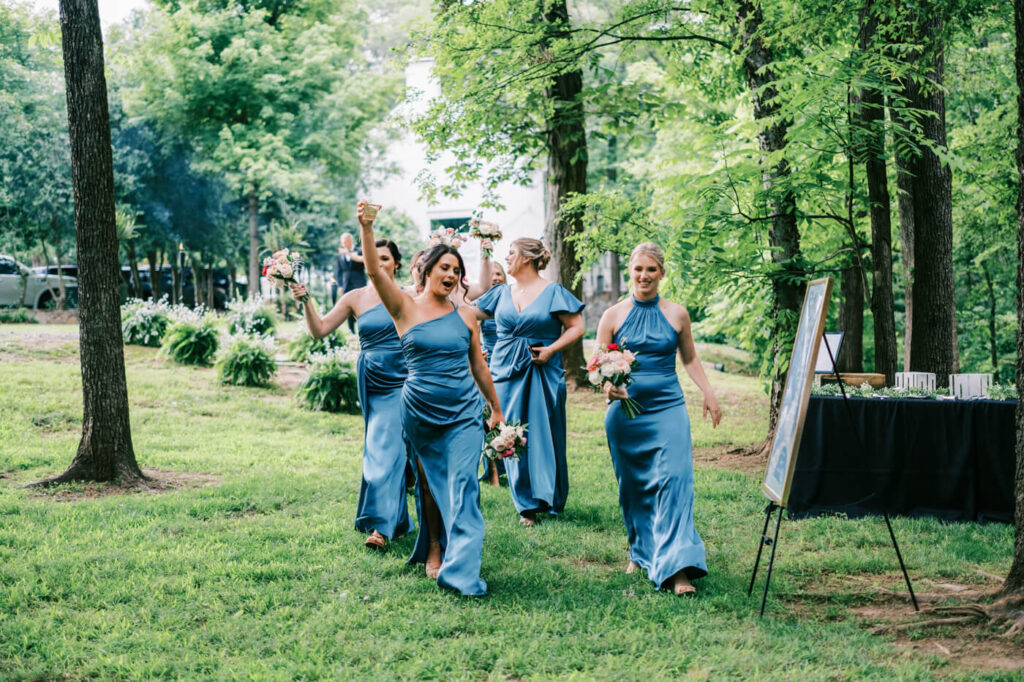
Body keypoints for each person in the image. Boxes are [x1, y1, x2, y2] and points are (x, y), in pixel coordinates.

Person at [357, 201, 503, 597]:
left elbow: (479, 367)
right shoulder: (403, 307)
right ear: (426, 270)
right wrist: (367, 229)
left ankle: (462, 570)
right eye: (445, 268)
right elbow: (374, 270)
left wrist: (496, 408)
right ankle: (435, 547)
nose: (452, 275)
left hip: (463, 412)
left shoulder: (467, 315)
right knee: (427, 484)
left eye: (457, 271)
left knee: (463, 486)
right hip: (419, 411)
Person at [596, 242, 722, 596]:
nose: (644, 276)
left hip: (668, 408)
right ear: (629, 272)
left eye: (651, 269)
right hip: (626, 415)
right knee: (634, 488)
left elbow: (691, 359)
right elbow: (599, 366)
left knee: (675, 482)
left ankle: (678, 568)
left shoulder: (677, 314)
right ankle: (640, 551)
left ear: (662, 273)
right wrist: (609, 387)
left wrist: (708, 393)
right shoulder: (612, 316)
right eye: (638, 269)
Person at [289, 239, 412, 551]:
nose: (379, 263)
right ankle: (395, 519)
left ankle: (380, 528)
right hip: (372, 379)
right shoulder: (355, 297)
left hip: (405, 379)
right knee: (381, 446)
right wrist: (305, 301)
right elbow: (319, 330)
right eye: (375, 258)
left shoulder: (410, 294)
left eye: (386, 258)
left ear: (396, 263)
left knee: (387, 448)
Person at [473, 238, 584, 526]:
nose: (507, 258)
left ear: (527, 257)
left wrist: (551, 350)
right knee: (511, 434)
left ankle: (551, 497)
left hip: (543, 371)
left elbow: (577, 326)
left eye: (511, 253)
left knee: (546, 433)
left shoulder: (553, 291)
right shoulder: (500, 293)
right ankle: (525, 505)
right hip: (505, 371)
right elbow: (467, 314)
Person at [474, 262, 506, 487]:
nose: (495, 278)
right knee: (489, 417)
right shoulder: (481, 304)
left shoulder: (510, 301)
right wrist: (477, 353)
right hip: (489, 363)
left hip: (508, 361)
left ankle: (510, 462)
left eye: (499, 274)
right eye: (491, 275)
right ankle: (492, 470)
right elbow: (472, 331)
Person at [334, 232, 366, 332]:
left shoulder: (360, 251)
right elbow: (339, 271)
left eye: (345, 242)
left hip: (359, 282)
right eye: (342, 242)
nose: (343, 244)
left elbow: (365, 264)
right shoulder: (340, 255)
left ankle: (362, 327)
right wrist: (339, 285)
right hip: (346, 283)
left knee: (361, 305)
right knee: (348, 305)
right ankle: (351, 329)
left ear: (350, 241)